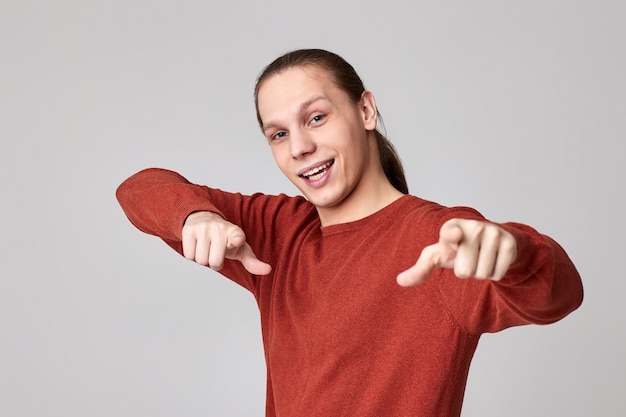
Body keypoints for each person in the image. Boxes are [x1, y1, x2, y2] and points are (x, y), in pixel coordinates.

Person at [116, 49, 583, 417]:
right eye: (278, 134)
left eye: (316, 117)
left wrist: (515, 252)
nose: (300, 147)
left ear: (365, 110)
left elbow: (559, 293)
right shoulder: (278, 233)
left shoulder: (440, 241)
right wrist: (194, 216)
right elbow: (139, 188)